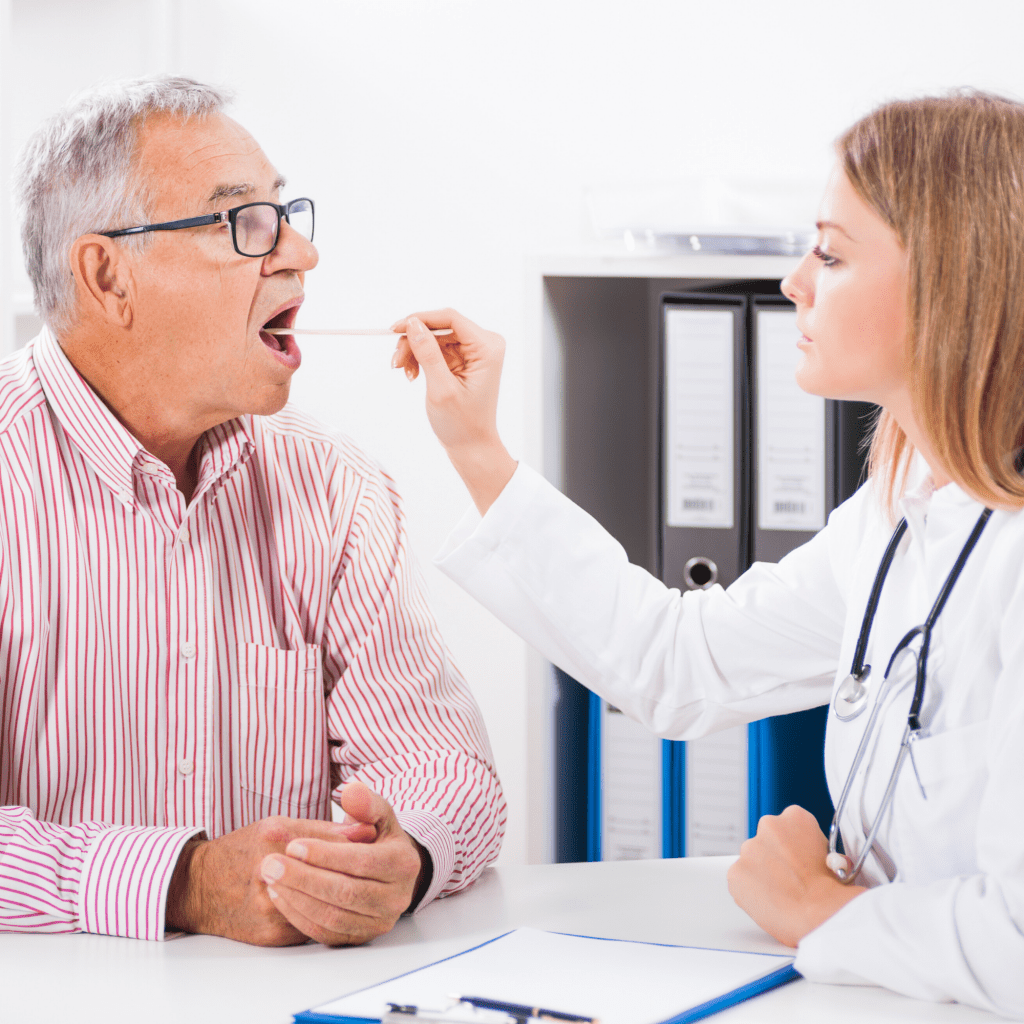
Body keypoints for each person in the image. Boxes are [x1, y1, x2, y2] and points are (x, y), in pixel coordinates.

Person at [391, 92, 1024, 1017]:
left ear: (952, 284)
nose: (794, 284)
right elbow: (678, 663)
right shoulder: (902, 509)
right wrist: (476, 448)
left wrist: (821, 911)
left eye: (833, 254)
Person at [0, 75, 505, 947]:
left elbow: (444, 766)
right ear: (107, 274)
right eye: (244, 222)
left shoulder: (333, 486)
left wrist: (405, 856)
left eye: (286, 211)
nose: (300, 255)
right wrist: (184, 882)